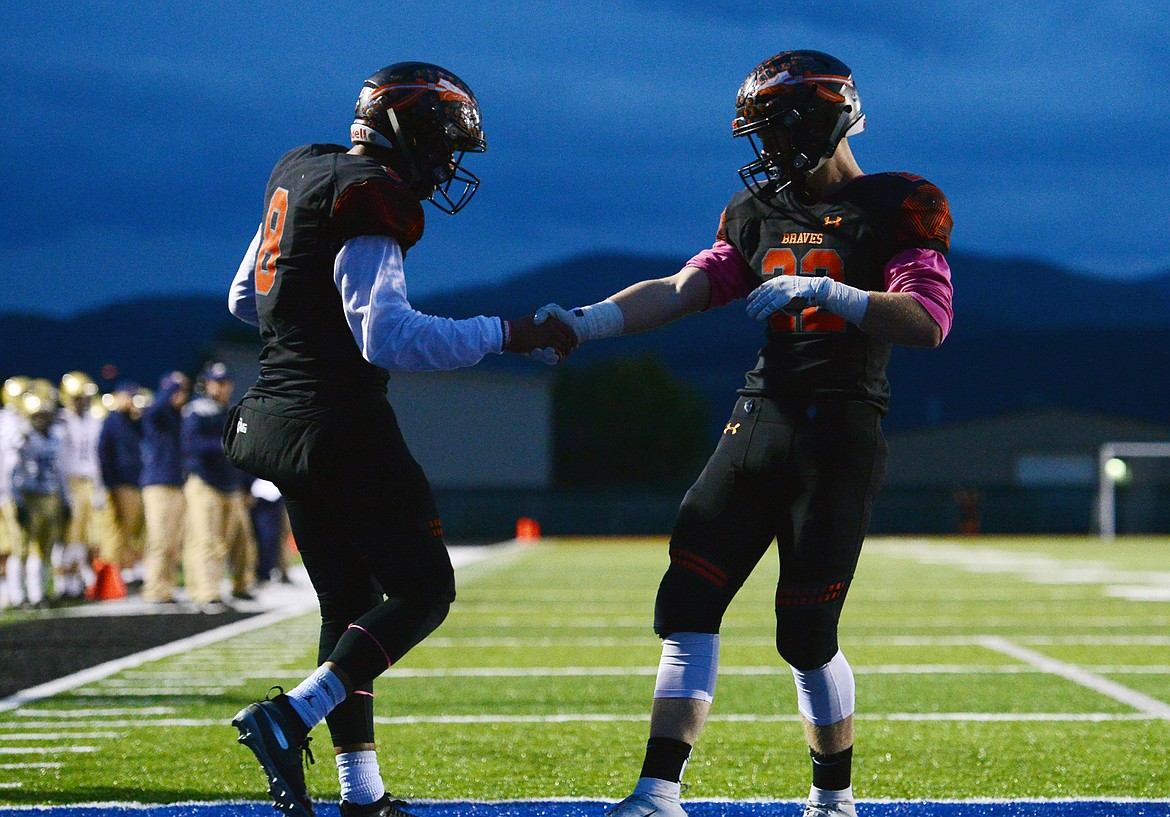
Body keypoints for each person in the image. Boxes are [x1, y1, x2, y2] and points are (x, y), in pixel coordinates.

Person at [536, 51, 953, 817]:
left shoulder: (901, 204)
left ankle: (833, 799)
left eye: (773, 130)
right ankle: (658, 790)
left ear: (819, 119)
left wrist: (831, 289)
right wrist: (587, 322)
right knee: (688, 597)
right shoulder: (755, 213)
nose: (763, 152)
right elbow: (684, 287)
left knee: (804, 633)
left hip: (839, 433)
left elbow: (928, 320)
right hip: (757, 419)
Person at [223, 62, 576, 817]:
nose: (448, 165)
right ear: (411, 133)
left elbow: (243, 296)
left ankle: (363, 794)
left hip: (271, 416)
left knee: (346, 601)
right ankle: (288, 716)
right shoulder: (369, 194)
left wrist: (306, 324)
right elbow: (387, 335)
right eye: (446, 146)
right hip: (337, 422)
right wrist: (508, 333)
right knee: (424, 589)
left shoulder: (303, 167)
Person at [180, 363, 238, 611]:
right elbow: (190, 445)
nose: (221, 387)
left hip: (227, 482)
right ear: (207, 384)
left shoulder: (227, 411)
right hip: (204, 481)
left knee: (220, 540)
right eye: (216, 381)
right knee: (206, 539)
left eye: (224, 382)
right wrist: (224, 445)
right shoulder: (197, 411)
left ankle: (204, 588)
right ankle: (206, 592)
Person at [11, 389, 70, 607]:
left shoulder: (54, 439)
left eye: (45, 415)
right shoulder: (24, 439)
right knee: (23, 547)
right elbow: (14, 472)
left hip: (50, 495)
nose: (43, 419)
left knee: (46, 547)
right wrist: (18, 501)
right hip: (30, 496)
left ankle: (40, 594)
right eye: (39, 415)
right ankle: (19, 596)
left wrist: (65, 499)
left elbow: (60, 471)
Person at [140, 371, 191, 603]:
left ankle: (165, 588)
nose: (181, 395)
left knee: (173, 541)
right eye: (177, 391)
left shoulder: (178, 418)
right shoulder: (157, 414)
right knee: (159, 539)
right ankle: (154, 589)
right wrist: (172, 386)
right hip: (158, 484)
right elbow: (155, 409)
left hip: (177, 484)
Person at [56, 371, 103, 600]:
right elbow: (61, 460)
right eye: (79, 398)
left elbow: (96, 457)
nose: (83, 402)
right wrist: (64, 490)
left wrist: (99, 487)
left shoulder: (93, 421)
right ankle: (64, 584)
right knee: (69, 536)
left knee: (86, 536)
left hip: (89, 482)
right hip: (70, 481)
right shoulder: (61, 421)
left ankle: (77, 585)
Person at [96, 381, 145, 583]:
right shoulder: (112, 420)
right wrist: (110, 482)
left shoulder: (133, 421)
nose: (131, 401)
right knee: (121, 527)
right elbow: (104, 453)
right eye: (128, 396)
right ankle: (117, 571)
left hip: (135, 480)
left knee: (135, 528)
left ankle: (129, 568)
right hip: (120, 482)